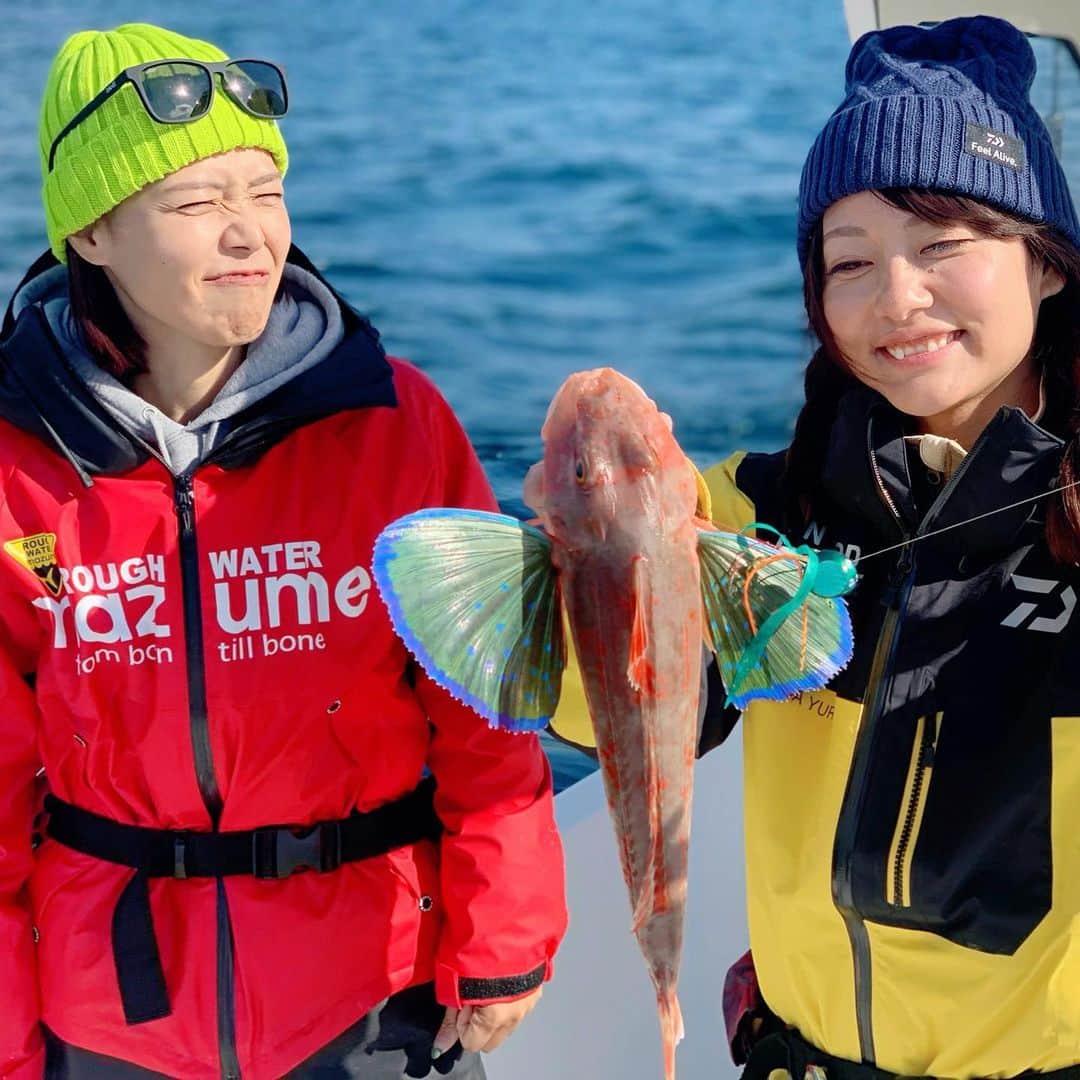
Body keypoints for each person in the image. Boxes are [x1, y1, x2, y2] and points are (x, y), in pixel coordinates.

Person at [0, 23, 566, 1079]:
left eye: (265, 194)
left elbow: (486, 704)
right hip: (110, 1013)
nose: (248, 234)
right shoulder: (13, 465)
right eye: (196, 203)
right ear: (90, 234)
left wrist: (505, 935)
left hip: (374, 992)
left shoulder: (397, 425)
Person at [693, 14, 1080, 1079]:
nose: (896, 299)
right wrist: (587, 558)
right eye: (849, 262)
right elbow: (618, 704)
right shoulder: (756, 513)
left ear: (1045, 261)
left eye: (945, 244)